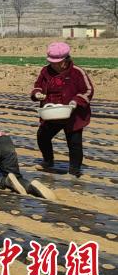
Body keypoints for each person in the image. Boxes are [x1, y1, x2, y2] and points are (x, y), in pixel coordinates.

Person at [31, 42, 94, 177]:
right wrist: (37, 94)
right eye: (52, 62)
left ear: (66, 60)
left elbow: (88, 90)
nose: (54, 65)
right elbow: (38, 86)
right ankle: (48, 161)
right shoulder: (45, 71)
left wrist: (76, 101)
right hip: (52, 113)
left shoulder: (77, 72)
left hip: (73, 115)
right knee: (42, 136)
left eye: (57, 63)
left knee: (74, 143)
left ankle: (74, 170)